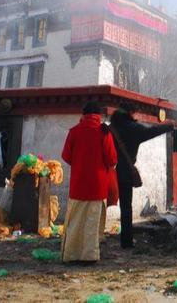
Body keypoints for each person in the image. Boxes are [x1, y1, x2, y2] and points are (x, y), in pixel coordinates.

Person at [108, 103, 174, 249]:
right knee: (126, 208)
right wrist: (170, 125)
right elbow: (152, 131)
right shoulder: (133, 129)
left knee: (99, 206)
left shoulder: (110, 129)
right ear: (131, 113)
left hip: (108, 172)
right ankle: (126, 242)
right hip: (125, 171)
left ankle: (93, 239)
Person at [60, 101, 117, 263]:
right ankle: (89, 256)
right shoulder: (104, 132)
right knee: (92, 223)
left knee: (75, 222)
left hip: (78, 185)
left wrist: (80, 163)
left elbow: (66, 156)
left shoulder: (74, 132)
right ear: (98, 115)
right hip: (97, 186)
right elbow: (112, 159)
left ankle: (71, 255)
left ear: (83, 114)